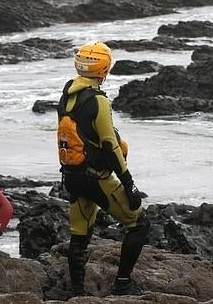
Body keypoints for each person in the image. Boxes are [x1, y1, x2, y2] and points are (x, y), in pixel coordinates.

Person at [57, 40, 150, 296]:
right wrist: (128, 184)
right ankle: (122, 284)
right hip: (95, 178)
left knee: (80, 235)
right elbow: (110, 145)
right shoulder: (98, 101)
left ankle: (77, 293)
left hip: (72, 177)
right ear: (104, 69)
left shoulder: (67, 93)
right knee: (139, 224)